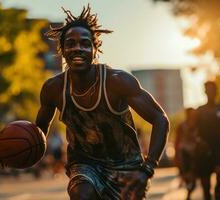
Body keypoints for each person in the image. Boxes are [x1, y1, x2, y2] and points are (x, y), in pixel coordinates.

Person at [35, 5, 169, 200]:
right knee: (82, 194)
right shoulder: (53, 89)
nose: (77, 48)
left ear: (95, 49)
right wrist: (15, 146)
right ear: (62, 50)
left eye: (84, 43)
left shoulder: (117, 81)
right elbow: (39, 130)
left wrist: (148, 168)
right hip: (85, 164)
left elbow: (160, 119)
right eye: (70, 43)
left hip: (126, 166)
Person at [195, 81, 220, 200]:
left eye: (213, 90)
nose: (210, 92)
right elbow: (193, 131)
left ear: (216, 91)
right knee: (206, 185)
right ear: (205, 92)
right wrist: (199, 141)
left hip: (218, 146)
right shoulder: (199, 110)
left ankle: (218, 196)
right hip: (203, 149)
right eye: (208, 90)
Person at [174, 108, 198, 200]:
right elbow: (177, 141)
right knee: (187, 176)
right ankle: (188, 192)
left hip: (195, 153)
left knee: (194, 178)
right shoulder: (182, 126)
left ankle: (189, 193)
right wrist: (176, 156)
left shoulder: (197, 125)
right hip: (184, 153)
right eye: (191, 114)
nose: (193, 116)